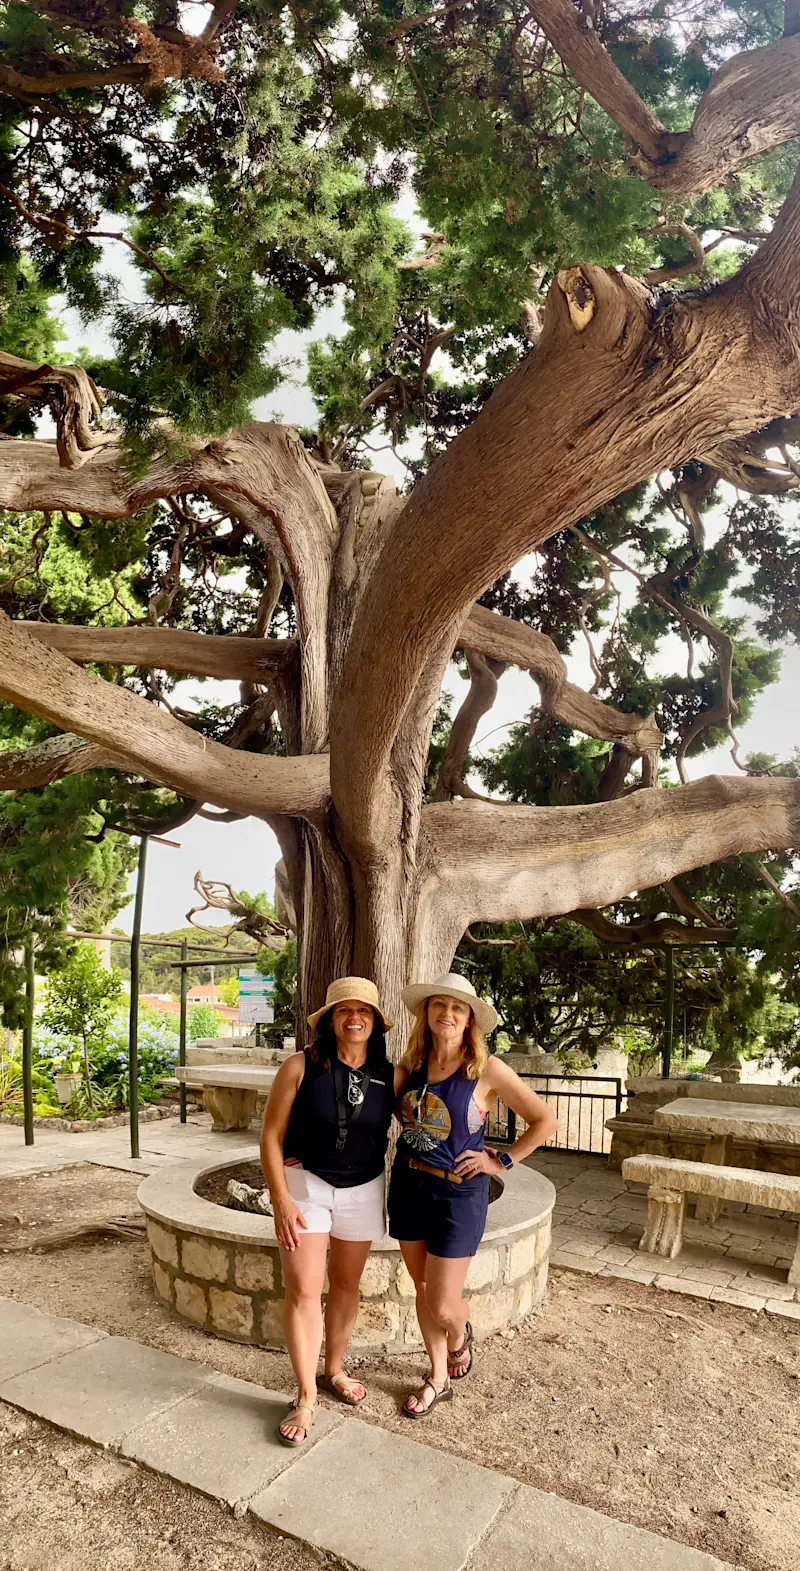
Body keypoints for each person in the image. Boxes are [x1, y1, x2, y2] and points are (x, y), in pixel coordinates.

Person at [388, 972, 558, 1418]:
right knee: (422, 1287)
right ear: (426, 1014)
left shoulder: (486, 1070)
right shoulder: (408, 1068)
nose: (447, 1013)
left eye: (458, 1008)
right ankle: (437, 1378)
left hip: (458, 1195)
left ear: (469, 1022)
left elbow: (544, 1121)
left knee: (443, 1302)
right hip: (408, 1185)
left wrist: (499, 1161)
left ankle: (460, 1337)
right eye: (439, 1005)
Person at [261, 976, 406, 1447]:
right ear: (330, 1020)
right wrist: (281, 1198)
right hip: (306, 1186)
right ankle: (305, 1396)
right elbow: (270, 1137)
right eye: (345, 1010)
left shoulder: (391, 1074)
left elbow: (428, 1113)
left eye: (364, 1011)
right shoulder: (300, 1066)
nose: (355, 1018)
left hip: (364, 1188)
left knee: (346, 1284)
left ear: (375, 1023)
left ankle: (334, 1370)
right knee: (303, 1289)